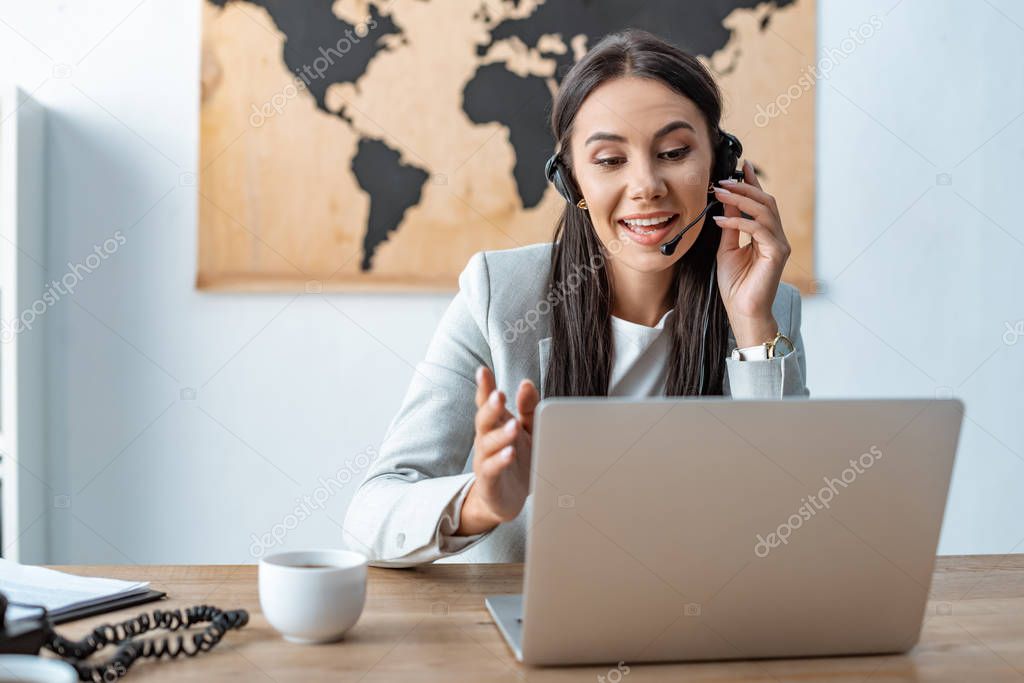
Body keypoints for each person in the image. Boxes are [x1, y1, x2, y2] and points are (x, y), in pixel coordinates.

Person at [343, 28, 809, 568]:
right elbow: (372, 513)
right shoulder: (500, 295)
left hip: (699, 622)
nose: (647, 185)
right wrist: (482, 502)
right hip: (534, 624)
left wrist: (752, 322)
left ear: (719, 167)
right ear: (572, 181)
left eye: (675, 152)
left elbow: (787, 519)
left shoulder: (768, 308)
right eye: (610, 160)